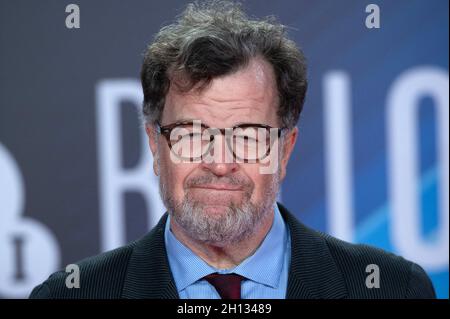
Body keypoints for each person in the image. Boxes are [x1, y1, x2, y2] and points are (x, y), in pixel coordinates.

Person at [30, 0, 435, 299]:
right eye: (191, 134)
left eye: (248, 136)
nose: (220, 163)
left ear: (285, 150)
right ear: (155, 146)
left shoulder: (394, 289)